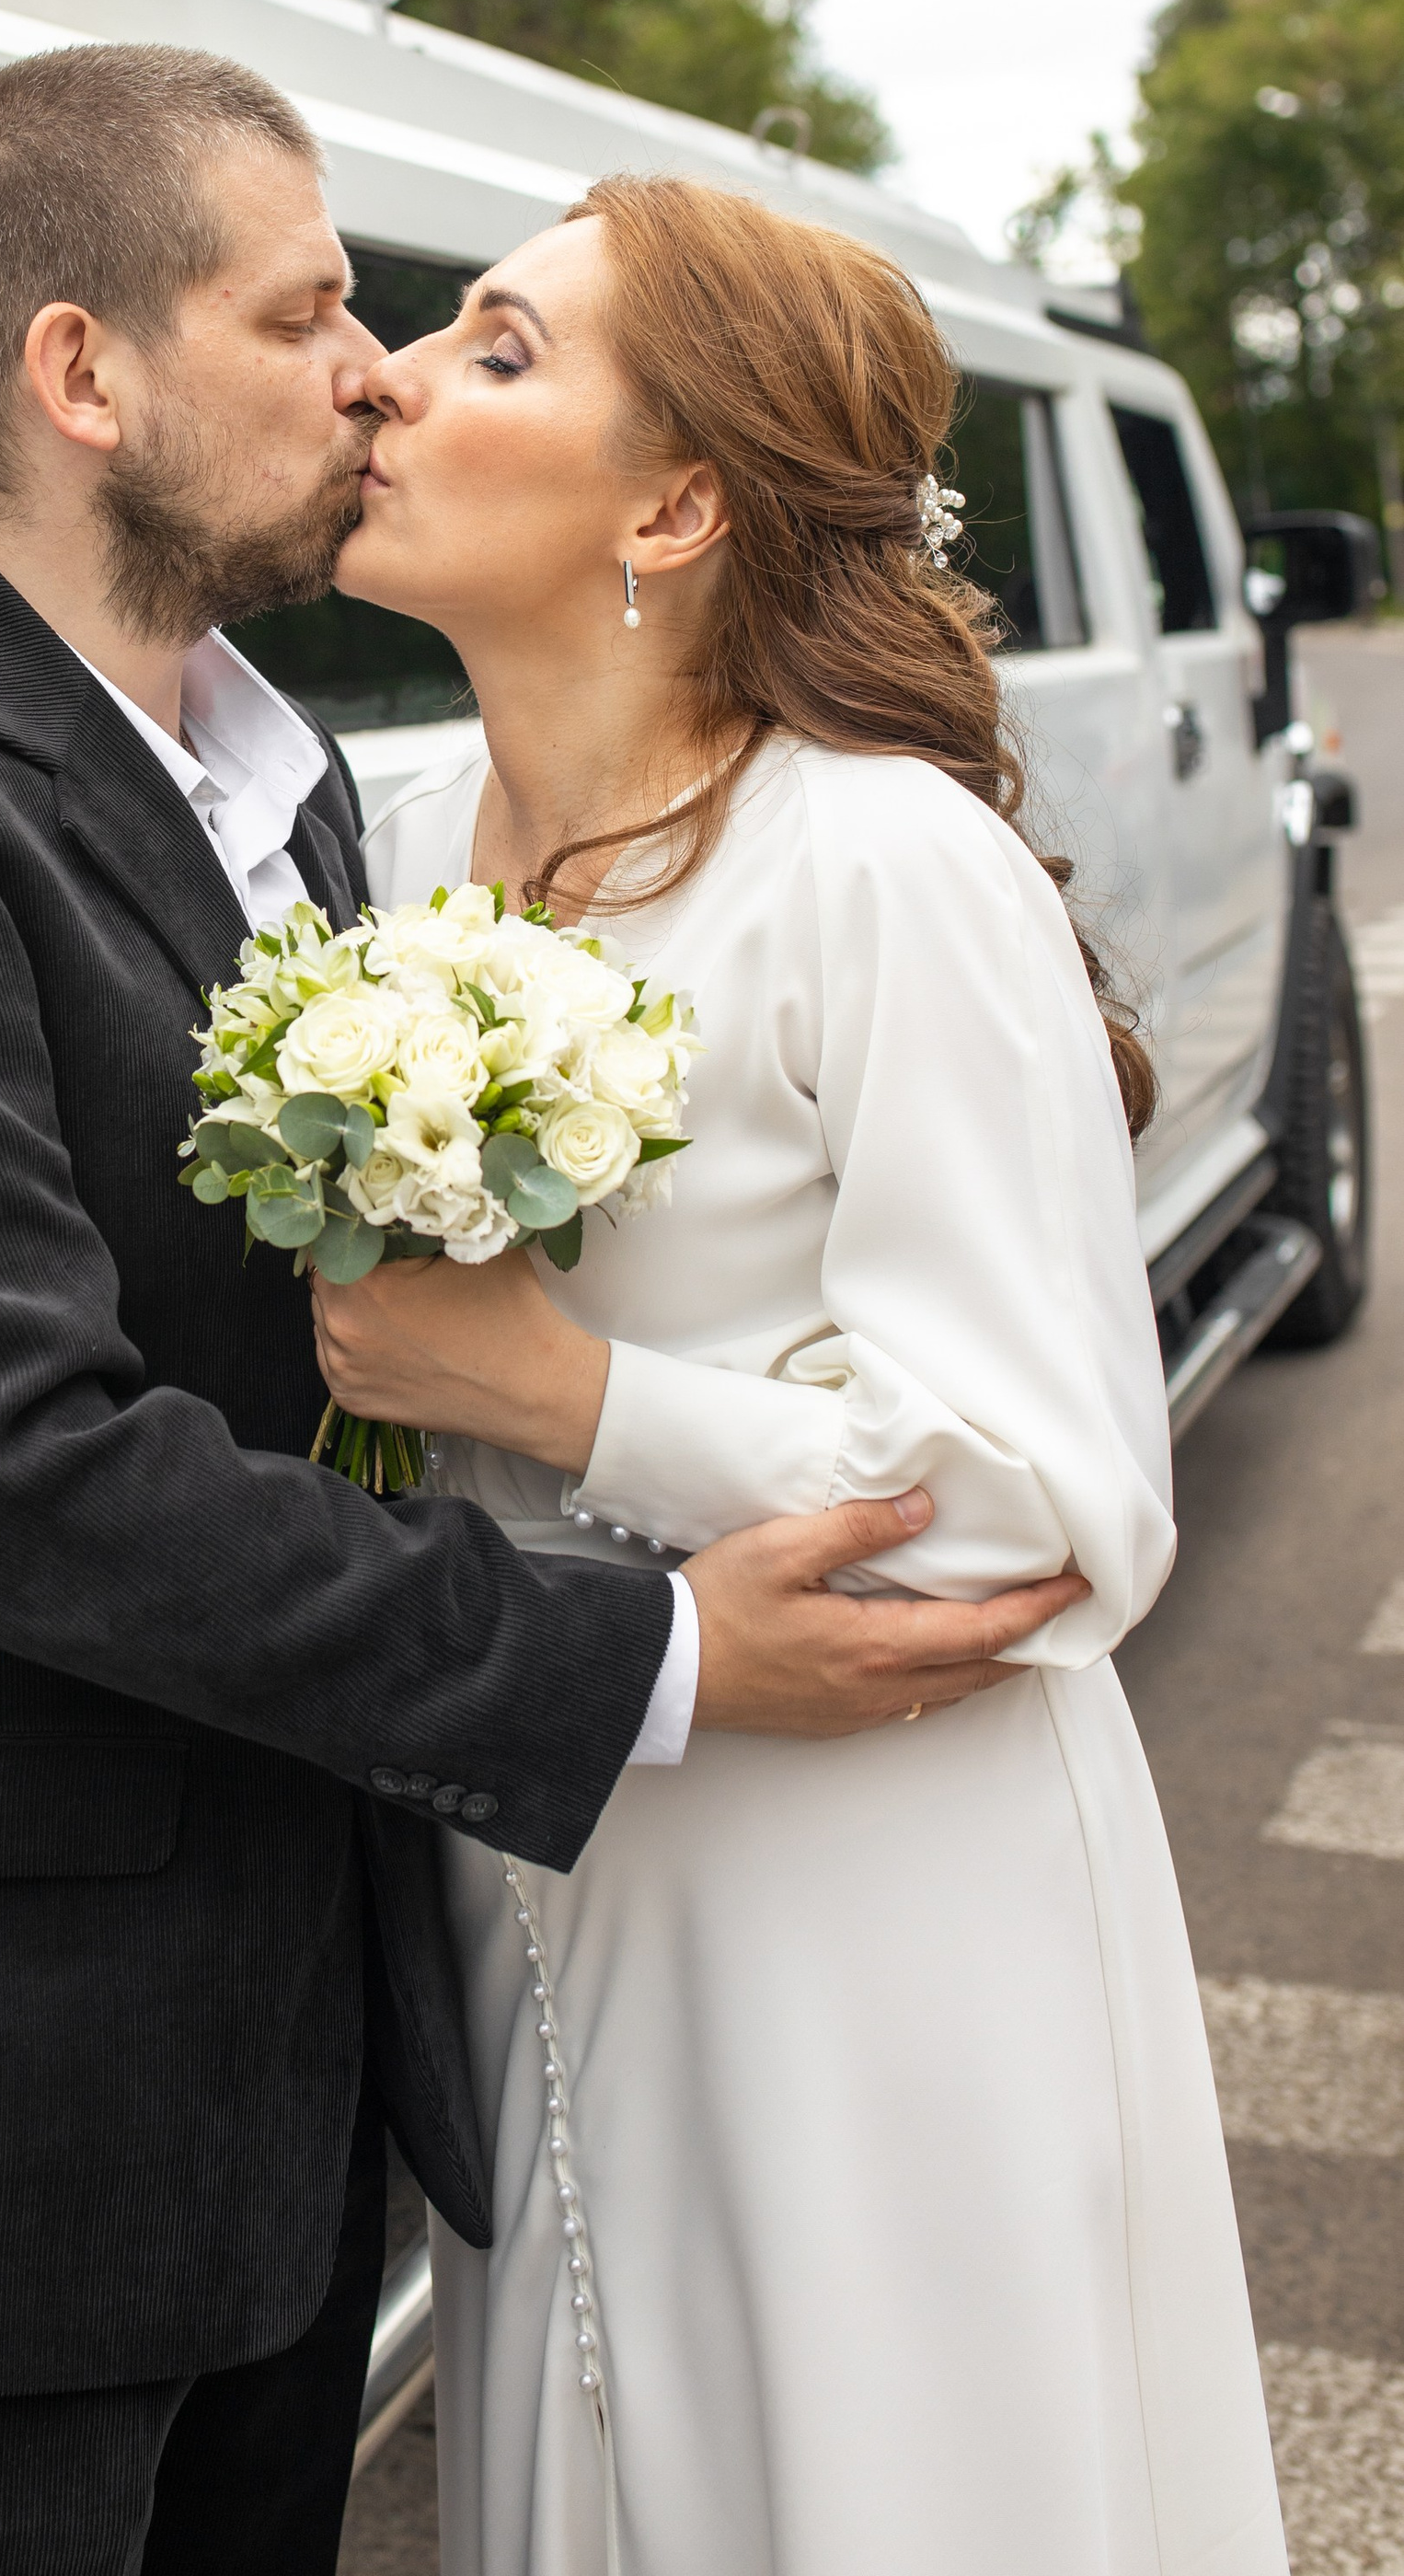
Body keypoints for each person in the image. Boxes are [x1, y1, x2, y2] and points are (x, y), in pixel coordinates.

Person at [0, 54, 1086, 2576]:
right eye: (305, 316)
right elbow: (18, 1476)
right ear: (84, 375)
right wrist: (654, 1657)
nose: (373, 373)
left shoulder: (307, 808)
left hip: (281, 2080)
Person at [311, 170, 1284, 2576]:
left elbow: (1055, 1502)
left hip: (872, 1889)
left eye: (500, 350)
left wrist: (559, 1395)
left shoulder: (880, 864)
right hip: (551, 1854)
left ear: (673, 508)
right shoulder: (397, 852)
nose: (388, 379)